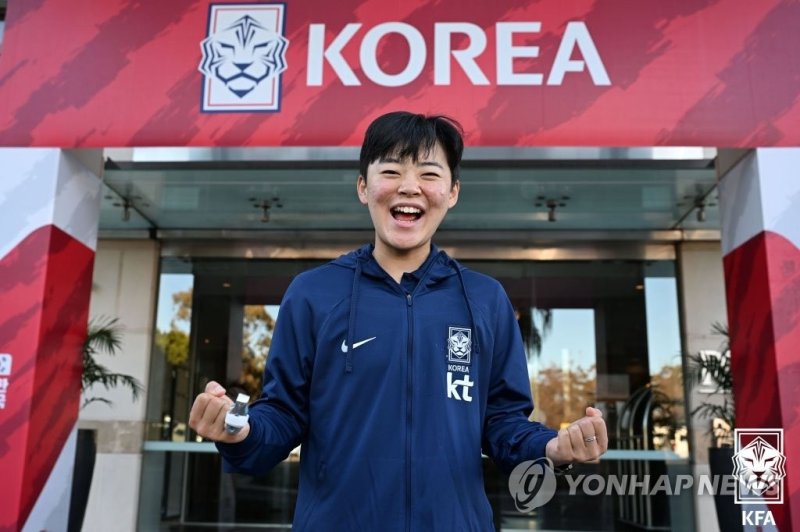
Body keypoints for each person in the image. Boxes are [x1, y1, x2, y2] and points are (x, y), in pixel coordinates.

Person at [189, 111, 608, 531]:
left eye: (429, 173)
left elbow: (503, 424)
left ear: (453, 192)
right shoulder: (313, 294)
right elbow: (283, 416)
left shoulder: (485, 300)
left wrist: (553, 447)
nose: (409, 187)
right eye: (391, 171)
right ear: (363, 187)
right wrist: (239, 431)